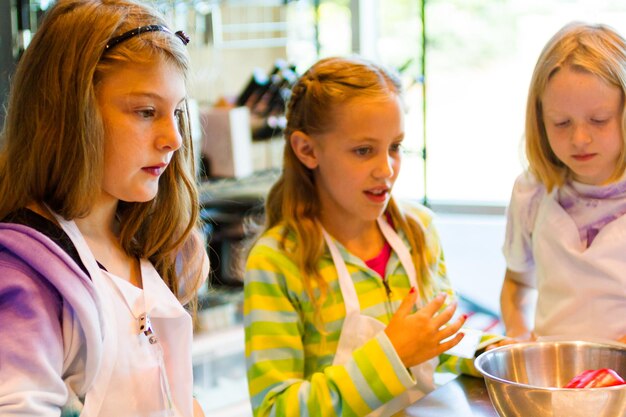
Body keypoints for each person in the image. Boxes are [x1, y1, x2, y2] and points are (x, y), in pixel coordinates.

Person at [243, 56, 501, 417]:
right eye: (363, 151)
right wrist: (391, 356)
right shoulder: (278, 261)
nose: (386, 169)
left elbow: (436, 341)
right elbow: (276, 409)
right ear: (307, 149)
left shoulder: (417, 230)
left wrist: (494, 354)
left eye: (395, 146)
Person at [0, 0, 210, 416]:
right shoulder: (26, 273)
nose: (174, 138)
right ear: (68, 114)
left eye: (177, 113)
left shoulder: (153, 248)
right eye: (146, 112)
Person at [500, 22, 626, 344]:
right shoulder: (532, 193)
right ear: (540, 120)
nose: (580, 139)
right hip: (553, 378)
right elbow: (517, 284)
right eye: (561, 123)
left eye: (599, 120)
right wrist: (517, 334)